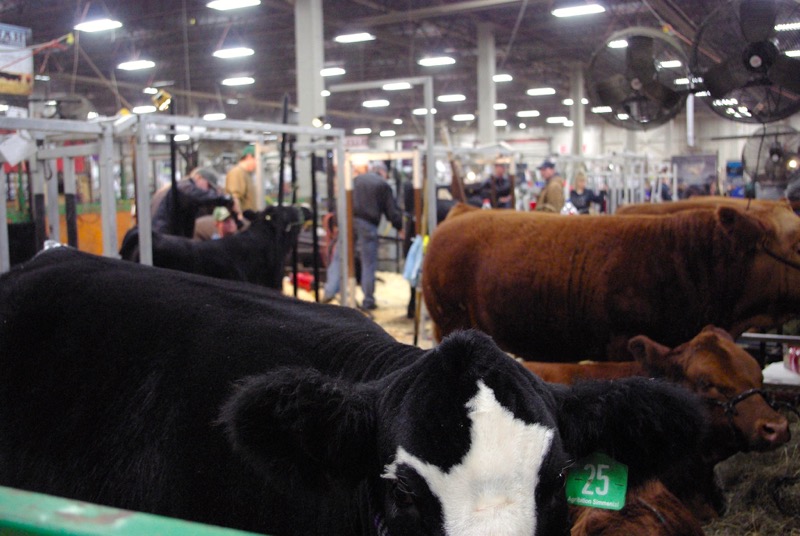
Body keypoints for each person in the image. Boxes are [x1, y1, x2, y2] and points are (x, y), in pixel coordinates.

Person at [323, 161, 404, 311]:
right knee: (368, 262)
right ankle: (368, 300)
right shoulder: (383, 185)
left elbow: (340, 201)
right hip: (368, 224)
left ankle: (329, 291)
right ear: (383, 173)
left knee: (340, 258)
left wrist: (336, 223)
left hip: (348, 222)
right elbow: (391, 211)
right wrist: (399, 227)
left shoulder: (356, 180)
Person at [151, 167, 232, 238]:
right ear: (199, 177)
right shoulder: (185, 187)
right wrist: (226, 199)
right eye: (209, 186)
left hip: (162, 234)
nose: (208, 190)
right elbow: (198, 195)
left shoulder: (179, 186)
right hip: (163, 235)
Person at [225, 145, 258, 216]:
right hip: (244, 219)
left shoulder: (247, 174)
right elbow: (235, 197)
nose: (257, 164)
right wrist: (240, 217)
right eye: (257, 160)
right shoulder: (237, 172)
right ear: (249, 157)